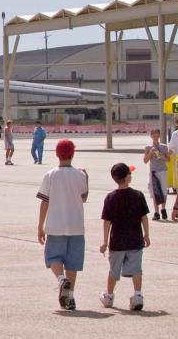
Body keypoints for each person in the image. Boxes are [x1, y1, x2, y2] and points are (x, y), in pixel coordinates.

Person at [36, 139, 88, 311]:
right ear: (73, 154)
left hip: (55, 225)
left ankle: (60, 279)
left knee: (53, 258)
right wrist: (87, 178)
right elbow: (84, 198)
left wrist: (40, 226)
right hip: (76, 226)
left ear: (57, 154)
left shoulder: (50, 175)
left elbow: (44, 202)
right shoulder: (80, 175)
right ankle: (70, 297)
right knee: (73, 264)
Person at [99, 163, 150, 311]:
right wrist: (146, 235)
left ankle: (108, 296)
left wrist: (104, 241)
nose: (131, 175)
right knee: (136, 270)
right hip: (135, 240)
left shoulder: (110, 197)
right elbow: (144, 217)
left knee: (114, 271)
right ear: (127, 177)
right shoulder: (138, 195)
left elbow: (107, 222)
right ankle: (138, 296)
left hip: (117, 242)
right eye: (130, 173)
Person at [143, 129, 169, 221]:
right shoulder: (148, 147)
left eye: (157, 134)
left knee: (163, 190)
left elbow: (167, 159)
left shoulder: (164, 146)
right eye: (153, 134)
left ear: (159, 135)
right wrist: (150, 152)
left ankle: (163, 209)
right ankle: (156, 211)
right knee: (155, 192)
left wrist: (161, 156)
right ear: (151, 135)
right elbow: (145, 161)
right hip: (153, 171)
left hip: (162, 170)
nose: (155, 136)